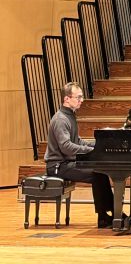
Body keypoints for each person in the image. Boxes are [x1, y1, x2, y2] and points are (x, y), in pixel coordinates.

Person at [45, 82, 116, 227]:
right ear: (66, 99)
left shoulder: (69, 116)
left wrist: (98, 144)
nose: (82, 100)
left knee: (100, 172)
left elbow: (77, 141)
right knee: (97, 173)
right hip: (58, 166)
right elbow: (66, 147)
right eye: (78, 97)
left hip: (66, 163)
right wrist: (92, 150)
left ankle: (112, 214)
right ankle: (105, 217)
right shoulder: (60, 119)